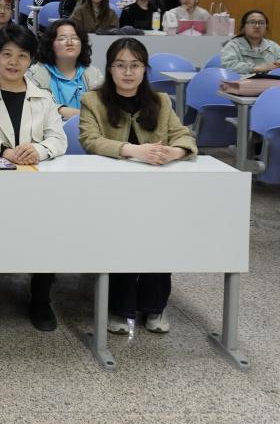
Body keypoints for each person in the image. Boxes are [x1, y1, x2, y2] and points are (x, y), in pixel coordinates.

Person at [79, 37, 197, 335]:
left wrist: (173, 152)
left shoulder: (161, 101)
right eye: (120, 65)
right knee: (122, 238)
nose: (128, 72)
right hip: (111, 191)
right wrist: (134, 150)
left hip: (155, 191)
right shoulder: (93, 101)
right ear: (110, 68)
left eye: (135, 65)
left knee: (158, 237)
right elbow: (90, 140)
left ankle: (155, 307)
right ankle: (120, 309)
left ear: (145, 69)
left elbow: (184, 136)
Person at [0, 24, 67, 329]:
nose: (13, 62)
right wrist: (3, 150)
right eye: (6, 54)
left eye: (22, 55)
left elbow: (58, 140)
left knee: (47, 230)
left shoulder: (44, 98)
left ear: (31, 60)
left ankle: (40, 299)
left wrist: (38, 150)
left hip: (36, 185)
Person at [29, 20, 104, 120]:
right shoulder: (36, 73)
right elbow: (35, 107)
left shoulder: (93, 73)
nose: (70, 42)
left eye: (75, 38)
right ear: (50, 45)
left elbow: (102, 109)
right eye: (62, 39)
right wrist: (64, 111)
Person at [221, 10, 280, 74]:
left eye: (261, 23)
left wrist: (279, 64)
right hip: (242, 80)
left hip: (270, 80)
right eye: (252, 22)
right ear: (243, 26)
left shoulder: (273, 46)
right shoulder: (233, 45)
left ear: (266, 27)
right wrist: (256, 68)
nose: (257, 26)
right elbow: (228, 65)